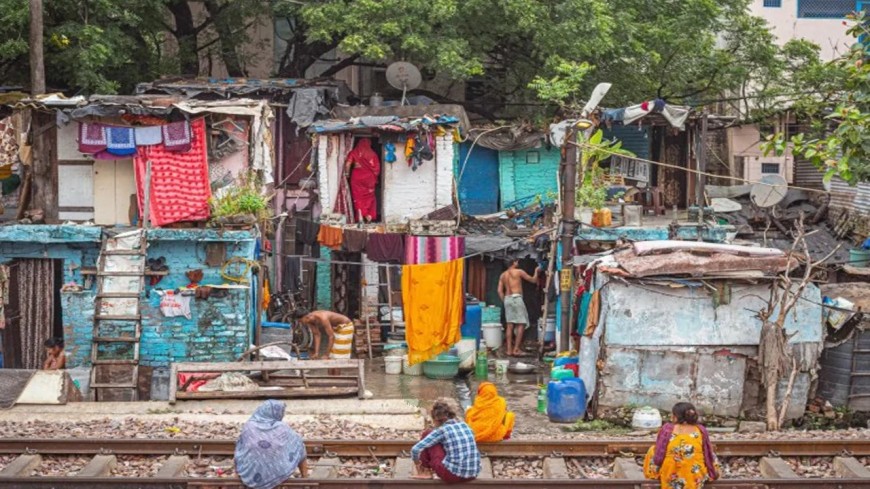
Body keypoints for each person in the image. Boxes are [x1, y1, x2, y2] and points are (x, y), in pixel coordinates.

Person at [643, 402, 720, 489]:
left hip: (671, 473)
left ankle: (654, 474)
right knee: (710, 452)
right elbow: (707, 452)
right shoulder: (700, 430)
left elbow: (659, 452)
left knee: (652, 450)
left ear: (676, 416)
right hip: (695, 473)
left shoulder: (667, 429)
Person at [235, 400, 308, 489]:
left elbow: (240, 450)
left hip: (250, 474)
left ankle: (239, 478)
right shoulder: (282, 427)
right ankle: (305, 478)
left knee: (240, 450)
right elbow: (297, 443)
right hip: (278, 471)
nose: (283, 415)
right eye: (282, 412)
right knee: (298, 444)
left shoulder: (249, 426)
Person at [411, 401, 481, 483]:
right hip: (473, 474)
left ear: (436, 419)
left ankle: (425, 471)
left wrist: (417, 463)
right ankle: (428, 469)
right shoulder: (465, 425)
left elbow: (415, 449)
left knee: (428, 434)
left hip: (452, 475)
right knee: (440, 440)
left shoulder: (442, 430)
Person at [497, 260, 539, 356]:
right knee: (522, 323)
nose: (518, 263)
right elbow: (533, 280)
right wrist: (537, 271)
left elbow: (499, 291)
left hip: (507, 299)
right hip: (517, 298)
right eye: (516, 261)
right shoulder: (519, 272)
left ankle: (509, 350)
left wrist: (505, 301)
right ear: (514, 263)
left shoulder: (502, 275)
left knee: (510, 325)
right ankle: (516, 349)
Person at [345, 138, 381, 222]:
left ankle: (361, 215)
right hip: (369, 179)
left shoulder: (354, 152)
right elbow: (377, 168)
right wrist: (375, 177)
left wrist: (347, 174)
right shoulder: (373, 154)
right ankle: (369, 215)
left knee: (358, 197)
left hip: (357, 178)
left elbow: (348, 164)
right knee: (370, 197)